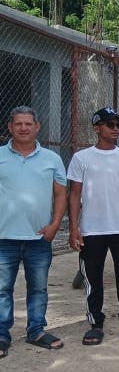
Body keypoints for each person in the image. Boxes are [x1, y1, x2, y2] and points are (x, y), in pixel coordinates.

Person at [68, 107, 119, 349]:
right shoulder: (81, 158)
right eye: (110, 124)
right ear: (96, 127)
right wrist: (74, 228)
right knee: (93, 280)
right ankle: (96, 324)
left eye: (118, 124)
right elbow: (75, 194)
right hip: (91, 230)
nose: (115, 129)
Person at [0, 106, 68, 358]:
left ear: (37, 127)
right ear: (10, 127)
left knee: (38, 288)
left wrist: (54, 225)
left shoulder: (52, 159)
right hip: (3, 238)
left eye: (28, 123)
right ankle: (1, 335)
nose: (24, 128)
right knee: (2, 290)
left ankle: (36, 330)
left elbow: (61, 193)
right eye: (18, 124)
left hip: (39, 238)